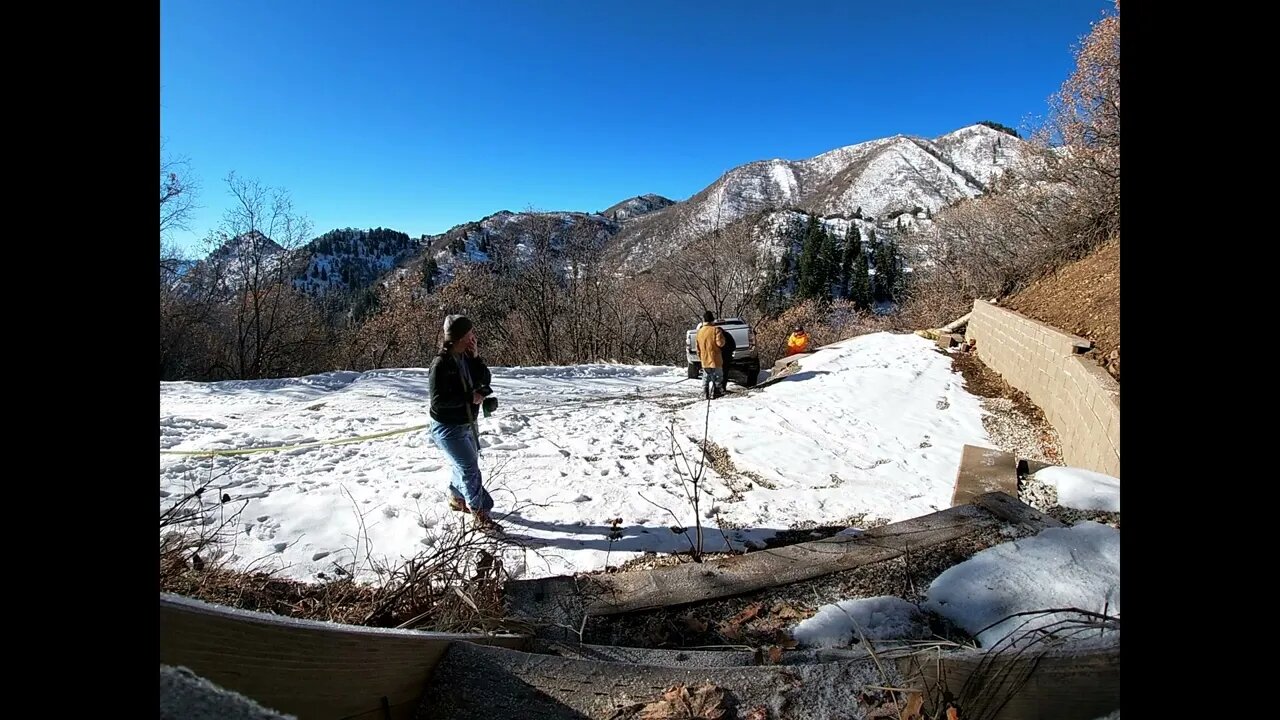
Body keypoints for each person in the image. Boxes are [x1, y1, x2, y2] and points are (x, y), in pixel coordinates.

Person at [428, 314, 498, 529]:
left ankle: (456, 497)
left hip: (467, 422)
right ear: (459, 337)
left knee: (464, 464)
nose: (473, 337)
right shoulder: (440, 365)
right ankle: (480, 514)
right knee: (469, 468)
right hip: (448, 428)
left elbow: (485, 379)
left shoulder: (466, 357)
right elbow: (439, 402)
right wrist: (470, 398)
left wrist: (476, 358)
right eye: (469, 334)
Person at [696, 310, 726, 399]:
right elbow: (720, 343)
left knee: (705, 377)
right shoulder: (716, 330)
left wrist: (701, 358)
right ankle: (717, 393)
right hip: (715, 359)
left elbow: (697, 348)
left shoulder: (699, 332)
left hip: (704, 359)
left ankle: (705, 393)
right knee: (718, 377)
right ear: (712, 320)